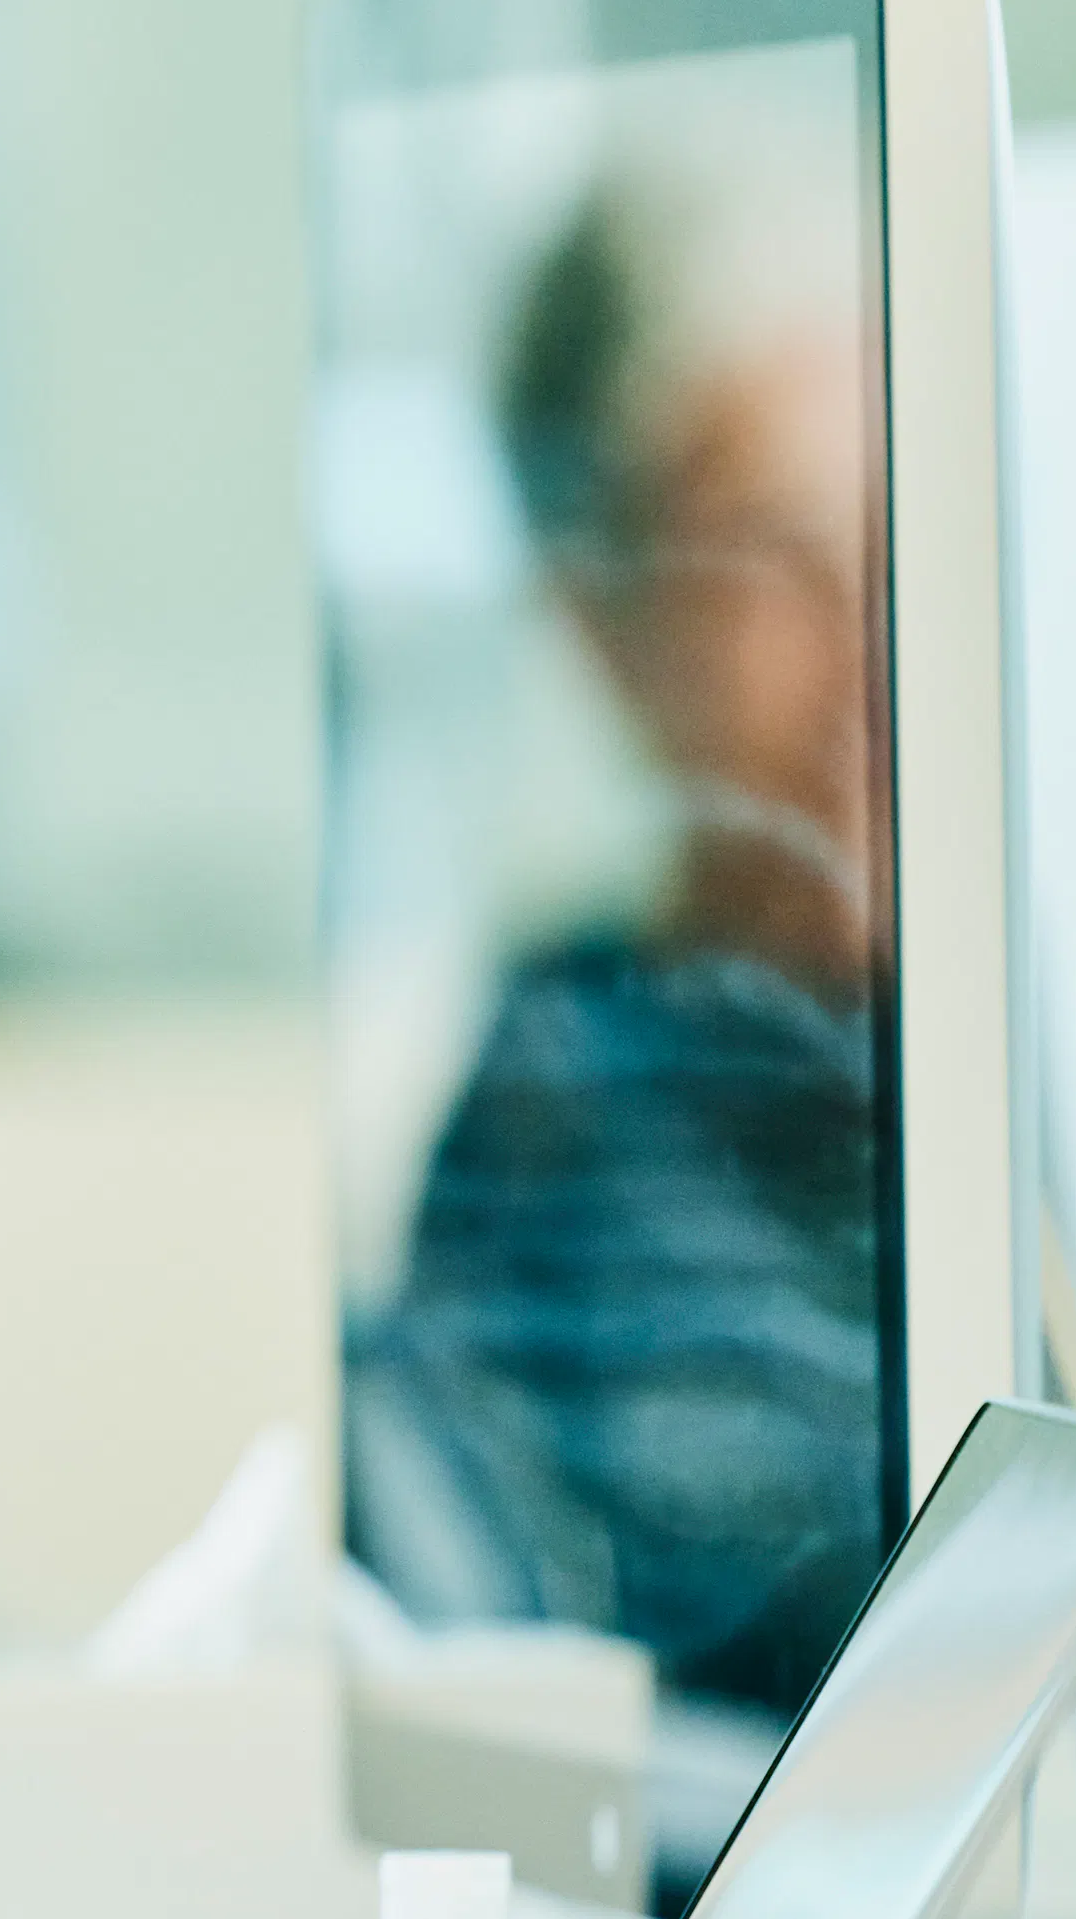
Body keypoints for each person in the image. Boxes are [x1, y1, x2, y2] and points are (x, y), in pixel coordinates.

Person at [349, 168, 887, 1833]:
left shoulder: (1048, 1063)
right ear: (602, 620)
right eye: (777, 552)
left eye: (895, 520)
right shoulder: (559, 1099)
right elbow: (487, 1745)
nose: (874, 618)